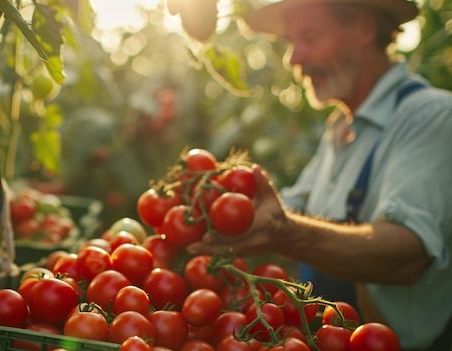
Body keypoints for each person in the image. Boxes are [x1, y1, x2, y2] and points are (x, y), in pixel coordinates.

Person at [187, 0, 452, 350]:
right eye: (289, 42)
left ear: (365, 29)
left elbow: (408, 254)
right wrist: (214, 202)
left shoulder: (431, 117)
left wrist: (283, 232)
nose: (293, 59)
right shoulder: (341, 128)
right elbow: (292, 206)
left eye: (309, 37)